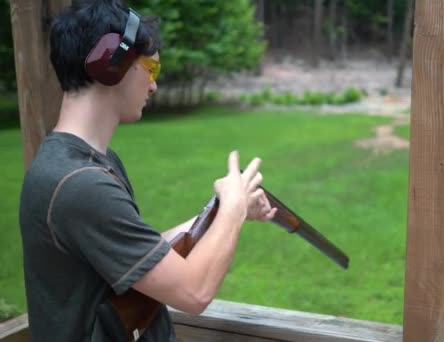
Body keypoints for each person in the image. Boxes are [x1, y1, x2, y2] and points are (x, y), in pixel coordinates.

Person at [18, 1, 276, 341]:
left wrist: (220, 211)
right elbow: (193, 292)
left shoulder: (86, 163)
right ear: (111, 64)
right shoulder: (79, 185)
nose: (153, 85)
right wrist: (233, 208)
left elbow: (142, 253)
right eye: (151, 69)